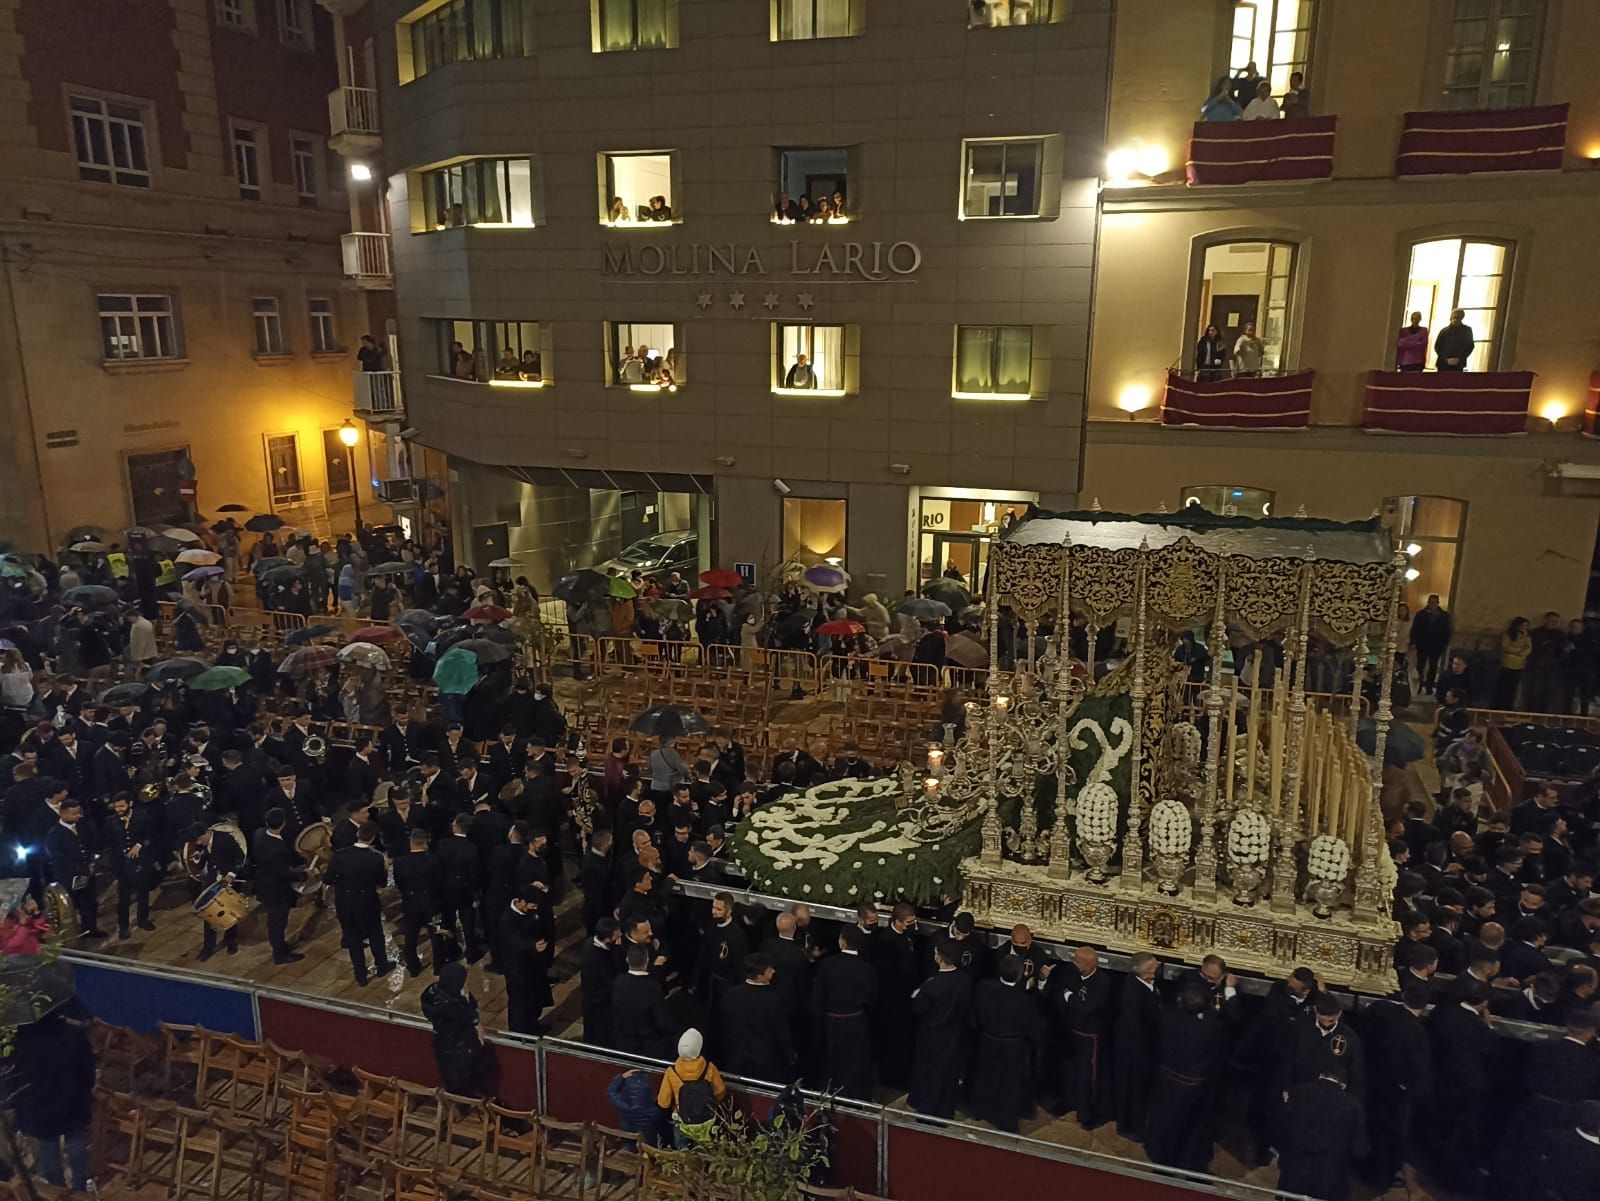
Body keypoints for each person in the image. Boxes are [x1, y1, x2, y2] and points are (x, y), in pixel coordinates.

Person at [12, 1001, 97, 1194]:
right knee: (75, 1142)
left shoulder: (24, 1039)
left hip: (40, 1102)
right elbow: (88, 1069)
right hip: (73, 1098)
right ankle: (80, 1190)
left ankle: (57, 1190)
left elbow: (18, 1073)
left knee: (48, 1146)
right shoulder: (74, 1035)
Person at [1144, 979, 1227, 1172]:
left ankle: (1163, 1161)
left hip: (1169, 1079)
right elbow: (1218, 1051)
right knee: (1194, 1125)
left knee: (1166, 1121)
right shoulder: (1211, 1025)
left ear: (1180, 1001)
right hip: (1197, 1085)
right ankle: (1190, 1163)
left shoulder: (1168, 1017)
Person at [970, 955, 1045, 1132]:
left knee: (986, 1078)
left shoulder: (984, 988)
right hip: (1013, 1048)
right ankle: (1006, 1122)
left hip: (988, 1041)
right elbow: (1035, 1028)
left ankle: (980, 1111)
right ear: (1020, 975)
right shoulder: (1025, 1000)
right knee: (1010, 1085)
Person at [1276, 1064, 1368, 1201]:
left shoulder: (1298, 1091)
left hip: (1294, 1168)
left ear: (1320, 1076)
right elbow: (1359, 1150)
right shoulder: (1353, 1106)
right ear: (1343, 1085)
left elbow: (1280, 1126)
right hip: (1328, 1176)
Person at [907, 937, 974, 1119]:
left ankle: (927, 1112)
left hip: (932, 1037)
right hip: (955, 1036)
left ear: (939, 958)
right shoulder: (965, 980)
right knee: (948, 1074)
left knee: (930, 1074)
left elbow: (918, 1008)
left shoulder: (932, 985)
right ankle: (944, 1112)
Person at [813, 924, 877, 1100]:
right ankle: (854, 1095)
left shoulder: (827, 964)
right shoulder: (867, 968)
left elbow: (818, 997)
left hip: (832, 1022)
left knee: (832, 1061)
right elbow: (872, 998)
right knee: (854, 1062)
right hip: (856, 1021)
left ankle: (830, 1093)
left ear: (842, 942)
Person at [325, 820, 392, 985]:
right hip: (368, 901)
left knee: (353, 938)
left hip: (345, 902)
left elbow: (328, 879)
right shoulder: (376, 858)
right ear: (373, 838)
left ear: (358, 834)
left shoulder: (339, 855)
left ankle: (360, 976)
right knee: (375, 934)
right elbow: (382, 883)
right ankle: (382, 966)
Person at [716, 953, 794, 1084]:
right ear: (759, 975)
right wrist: (790, 1055)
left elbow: (724, 1027)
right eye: (770, 970)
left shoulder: (731, 995)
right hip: (766, 1064)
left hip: (736, 1059)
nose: (773, 972)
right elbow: (781, 1032)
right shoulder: (773, 1000)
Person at [1112, 952, 1161, 1141]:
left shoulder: (1148, 983)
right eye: (1151, 969)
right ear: (1141, 971)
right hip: (1134, 1052)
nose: (1155, 971)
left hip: (1143, 1050)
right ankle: (1130, 1127)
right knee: (1132, 1091)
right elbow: (1135, 1026)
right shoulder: (1132, 992)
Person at [421, 961, 488, 1096]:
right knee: (464, 1082)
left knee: (452, 1081)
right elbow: (469, 1014)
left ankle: (458, 1104)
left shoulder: (432, 993)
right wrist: (466, 1000)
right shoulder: (451, 1006)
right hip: (459, 1048)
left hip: (442, 1045)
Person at [657, 1028, 726, 1148]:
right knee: (705, 1149)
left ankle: (685, 1166)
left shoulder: (671, 1072)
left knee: (682, 1149)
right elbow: (720, 1092)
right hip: (706, 1120)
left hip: (682, 1120)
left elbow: (663, 1103)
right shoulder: (709, 1068)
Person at [252, 807, 305, 964]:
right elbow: (283, 873)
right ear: (283, 824)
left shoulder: (259, 834)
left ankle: (280, 945)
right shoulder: (277, 848)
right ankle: (280, 955)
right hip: (276, 890)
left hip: (263, 884)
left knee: (275, 921)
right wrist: (304, 874)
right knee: (278, 922)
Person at [394, 828, 445, 977]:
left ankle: (414, 968)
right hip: (431, 903)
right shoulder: (433, 860)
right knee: (436, 935)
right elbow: (439, 881)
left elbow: (399, 884)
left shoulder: (399, 862)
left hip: (410, 903)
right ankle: (439, 966)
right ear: (425, 842)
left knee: (410, 936)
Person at [1408, 594, 1452, 694]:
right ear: (1428, 602)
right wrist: (1414, 641)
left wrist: (1444, 644)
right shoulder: (1421, 614)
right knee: (1420, 666)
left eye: (1434, 602)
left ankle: (1429, 686)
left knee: (1433, 667)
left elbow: (1447, 631)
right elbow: (1415, 628)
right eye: (1431, 602)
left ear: (1438, 603)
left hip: (1436, 646)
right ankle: (1418, 686)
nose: (1432, 604)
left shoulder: (1444, 616)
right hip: (1422, 644)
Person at [607, 1069, 662, 1147]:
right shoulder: (654, 1110)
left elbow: (611, 1092)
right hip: (647, 1146)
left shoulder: (623, 1105)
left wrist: (622, 1077)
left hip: (628, 1141)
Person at [1497, 615, 1531, 709]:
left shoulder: (1527, 636)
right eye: (1523, 625)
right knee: (1504, 687)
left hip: (1519, 665)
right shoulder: (1507, 634)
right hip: (1507, 664)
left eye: (1526, 626)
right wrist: (1519, 650)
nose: (1524, 628)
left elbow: (1528, 648)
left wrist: (1520, 651)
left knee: (1513, 689)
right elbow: (1506, 647)